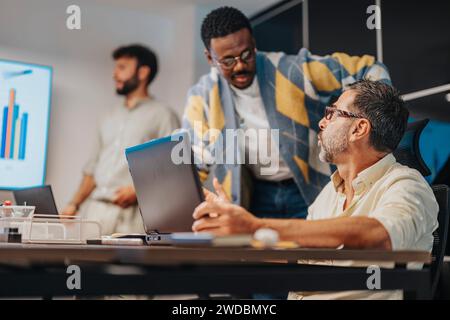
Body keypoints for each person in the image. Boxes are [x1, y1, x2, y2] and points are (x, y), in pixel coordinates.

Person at [192, 80, 439, 300]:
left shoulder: (407, 185)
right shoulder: (330, 193)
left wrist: (254, 225)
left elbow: (379, 234)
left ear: (359, 129)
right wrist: (238, 240)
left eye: (332, 113)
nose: (322, 122)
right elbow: (297, 259)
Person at [183, 6, 391, 221]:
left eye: (246, 54)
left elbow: (370, 67)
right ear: (210, 58)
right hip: (256, 194)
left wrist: (373, 121)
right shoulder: (203, 96)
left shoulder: (293, 69)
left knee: (316, 251)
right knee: (260, 253)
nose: (239, 66)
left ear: (253, 44)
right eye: (227, 61)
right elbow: (193, 161)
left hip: (310, 189)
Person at [62, 44, 180, 235]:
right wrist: (73, 204)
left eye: (122, 67)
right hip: (96, 213)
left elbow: (175, 168)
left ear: (143, 72)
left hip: (133, 215)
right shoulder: (108, 116)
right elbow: (93, 168)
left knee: (128, 266)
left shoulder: (163, 115)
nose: (114, 74)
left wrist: (138, 190)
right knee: (85, 264)